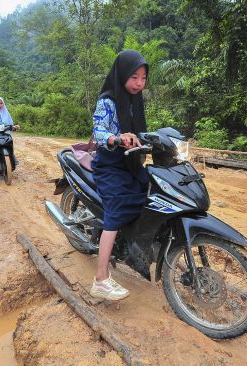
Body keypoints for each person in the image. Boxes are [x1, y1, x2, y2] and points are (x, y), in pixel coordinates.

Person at [89, 50, 149, 301]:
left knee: (150, 191)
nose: (139, 83)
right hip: (111, 165)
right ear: (122, 74)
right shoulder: (108, 101)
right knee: (115, 211)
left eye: (144, 78)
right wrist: (116, 137)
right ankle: (101, 279)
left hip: (131, 163)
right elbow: (99, 130)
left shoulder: (136, 100)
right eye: (134, 77)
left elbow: (142, 131)